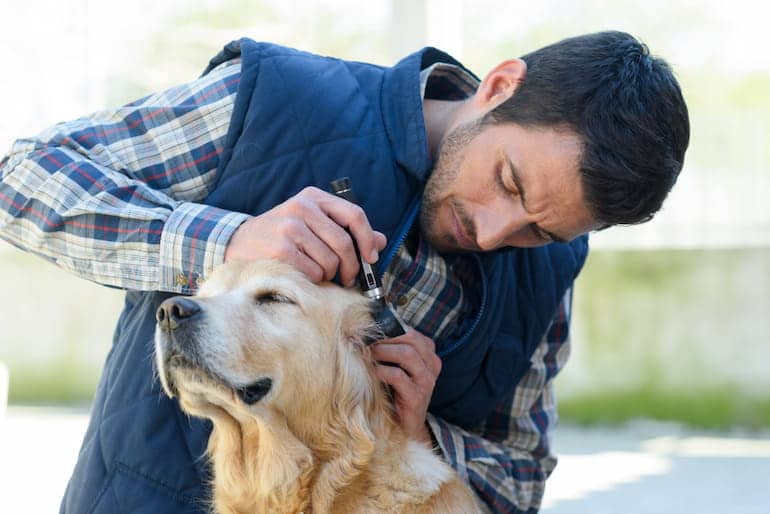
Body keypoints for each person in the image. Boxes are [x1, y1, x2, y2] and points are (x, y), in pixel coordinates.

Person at [0, 31, 689, 513]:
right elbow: (21, 180)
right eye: (507, 181)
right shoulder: (270, 102)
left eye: (540, 228)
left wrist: (424, 431)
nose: (494, 232)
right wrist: (228, 237)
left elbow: (521, 483)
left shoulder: (551, 270)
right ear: (500, 86)